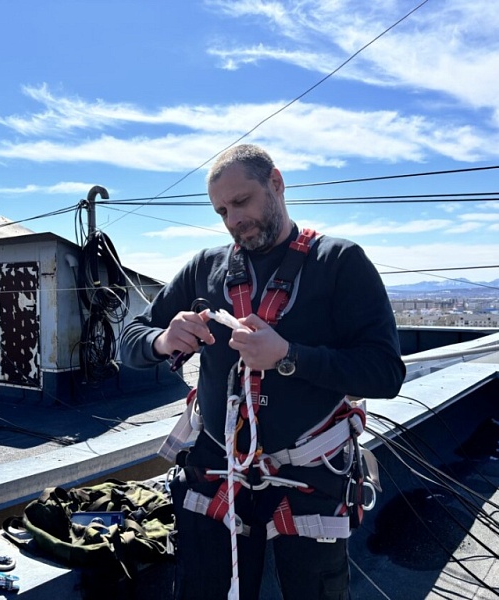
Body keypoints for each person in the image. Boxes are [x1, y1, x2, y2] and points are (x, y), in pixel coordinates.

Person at [121, 144, 405, 600]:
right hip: (215, 473)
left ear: (276, 183)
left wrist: (288, 356)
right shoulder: (204, 269)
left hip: (310, 478)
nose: (233, 220)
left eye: (241, 202)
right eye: (221, 210)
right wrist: (163, 339)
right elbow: (130, 339)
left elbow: (385, 373)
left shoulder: (338, 263)